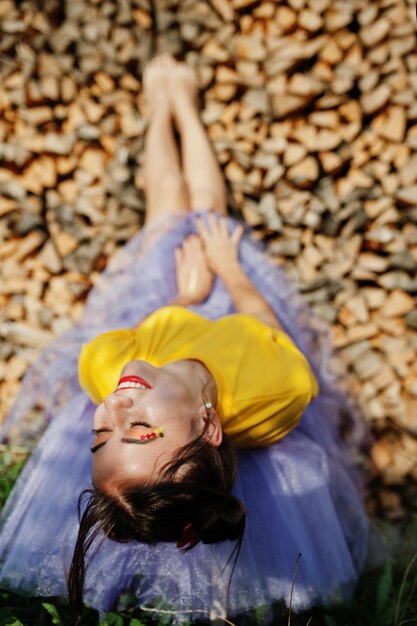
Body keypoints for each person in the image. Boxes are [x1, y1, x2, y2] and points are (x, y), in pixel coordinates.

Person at [0, 55, 370, 624]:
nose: (113, 405)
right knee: (207, 209)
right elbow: (268, 330)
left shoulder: (109, 369)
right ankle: (186, 109)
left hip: (174, 312)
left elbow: (140, 335)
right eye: (140, 428)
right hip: (234, 319)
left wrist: (182, 300)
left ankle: (160, 110)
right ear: (210, 424)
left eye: (99, 433)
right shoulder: (275, 392)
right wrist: (229, 271)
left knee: (163, 211)